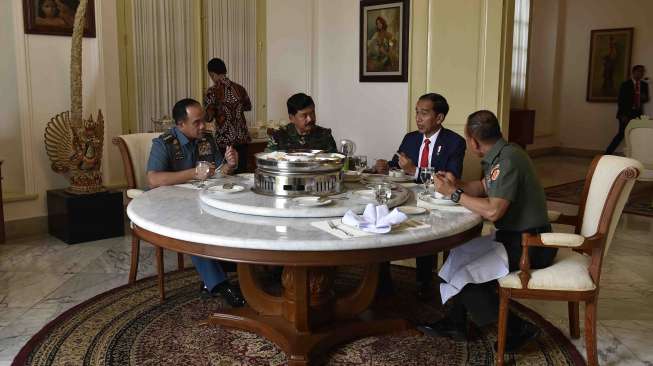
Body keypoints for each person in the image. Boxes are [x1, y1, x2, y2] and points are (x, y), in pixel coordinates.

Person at [423, 110, 556, 353]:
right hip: (515, 237)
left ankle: (518, 328)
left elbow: (494, 212)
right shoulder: (504, 154)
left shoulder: (507, 160)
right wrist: (456, 184)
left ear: (472, 140)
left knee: (468, 279)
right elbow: (481, 187)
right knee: (458, 253)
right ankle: (455, 323)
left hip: (531, 245)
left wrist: (453, 194)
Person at [147, 98, 245, 307]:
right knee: (193, 226)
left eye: (204, 121)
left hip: (202, 200)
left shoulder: (206, 139)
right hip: (172, 204)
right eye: (197, 122)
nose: (203, 126)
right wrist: (193, 173)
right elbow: (154, 179)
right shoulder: (164, 143)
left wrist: (229, 164)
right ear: (180, 125)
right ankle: (220, 284)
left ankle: (232, 268)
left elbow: (218, 173)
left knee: (231, 214)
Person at [375, 93, 466, 301]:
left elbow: (450, 179)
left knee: (427, 230)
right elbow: (396, 166)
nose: (418, 118)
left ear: (439, 118)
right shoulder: (411, 138)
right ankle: (381, 281)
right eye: (417, 112)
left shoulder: (454, 142)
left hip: (435, 202)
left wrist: (415, 170)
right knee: (382, 221)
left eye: (424, 113)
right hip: (406, 197)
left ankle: (424, 283)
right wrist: (384, 167)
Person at [203, 58, 252, 173]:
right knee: (242, 174)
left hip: (225, 141)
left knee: (226, 176)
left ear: (212, 74)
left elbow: (208, 118)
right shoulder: (240, 88)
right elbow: (248, 107)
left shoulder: (212, 92)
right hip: (242, 139)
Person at [266, 93, 337, 153]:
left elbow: (335, 162)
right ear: (291, 118)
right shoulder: (278, 136)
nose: (310, 119)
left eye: (312, 113)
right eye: (304, 115)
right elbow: (269, 162)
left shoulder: (325, 135)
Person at [606, 64, 649, 154]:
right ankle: (607, 154)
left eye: (643, 72)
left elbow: (646, 99)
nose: (641, 74)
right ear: (634, 72)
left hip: (638, 114)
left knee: (637, 135)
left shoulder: (644, 85)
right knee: (621, 134)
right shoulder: (625, 84)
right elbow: (621, 101)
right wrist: (622, 115)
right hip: (625, 114)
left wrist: (643, 97)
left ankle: (635, 155)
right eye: (640, 71)